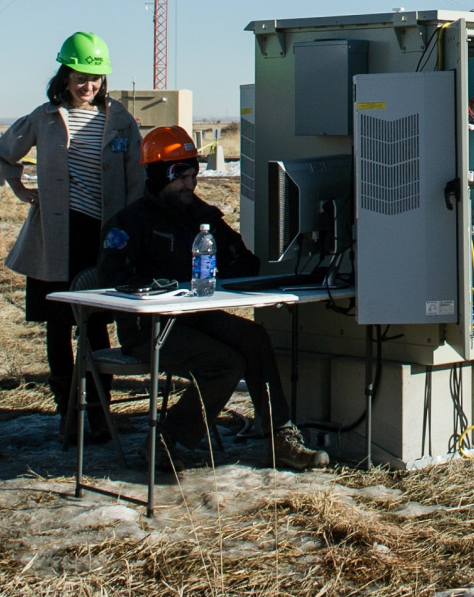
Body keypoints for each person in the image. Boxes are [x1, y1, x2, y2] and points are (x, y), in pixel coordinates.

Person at [96, 125, 327, 472]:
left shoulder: (203, 219)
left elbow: (245, 260)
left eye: (194, 175)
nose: (190, 184)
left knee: (254, 339)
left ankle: (281, 439)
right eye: (181, 176)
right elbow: (113, 278)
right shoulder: (129, 223)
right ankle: (165, 442)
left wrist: (218, 279)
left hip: (199, 317)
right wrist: (166, 286)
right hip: (150, 328)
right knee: (225, 362)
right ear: (159, 176)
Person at [0, 31, 143, 435]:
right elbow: (1, 154)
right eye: (79, 77)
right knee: (58, 326)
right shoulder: (43, 118)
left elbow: (136, 179)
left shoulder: (121, 120)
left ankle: (99, 413)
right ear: (64, 76)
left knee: (95, 326)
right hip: (55, 237)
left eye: (95, 79)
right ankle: (67, 413)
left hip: (103, 238)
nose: (87, 86)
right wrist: (21, 188)